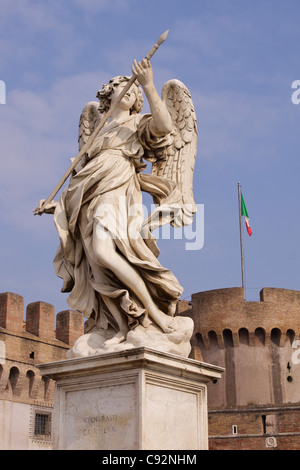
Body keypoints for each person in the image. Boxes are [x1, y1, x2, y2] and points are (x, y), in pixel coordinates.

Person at [37, 59, 184, 348]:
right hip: (86, 196)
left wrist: (148, 84)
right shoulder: (98, 131)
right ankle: (119, 324)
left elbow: (164, 126)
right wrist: (57, 206)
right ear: (108, 94)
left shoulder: (136, 123)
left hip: (116, 188)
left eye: (132, 90)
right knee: (95, 266)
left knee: (106, 252)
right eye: (121, 86)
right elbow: (79, 175)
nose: (127, 90)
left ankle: (155, 314)